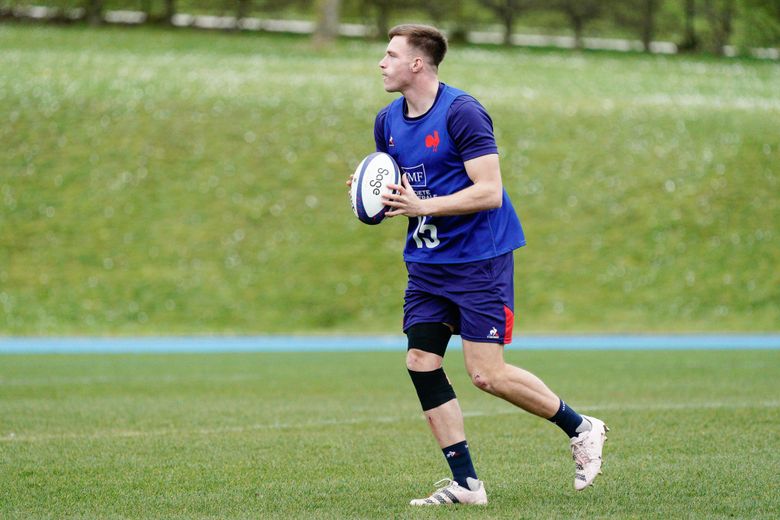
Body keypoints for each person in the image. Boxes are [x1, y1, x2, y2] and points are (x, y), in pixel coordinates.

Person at [349, 24, 608, 506]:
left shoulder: (462, 113)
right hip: (427, 263)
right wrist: (371, 193)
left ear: (417, 64)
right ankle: (467, 485)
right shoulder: (386, 120)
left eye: (390, 55)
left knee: (486, 374)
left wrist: (426, 206)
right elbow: (398, 185)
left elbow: (489, 191)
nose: (381, 63)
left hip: (479, 261)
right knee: (420, 362)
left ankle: (582, 427)